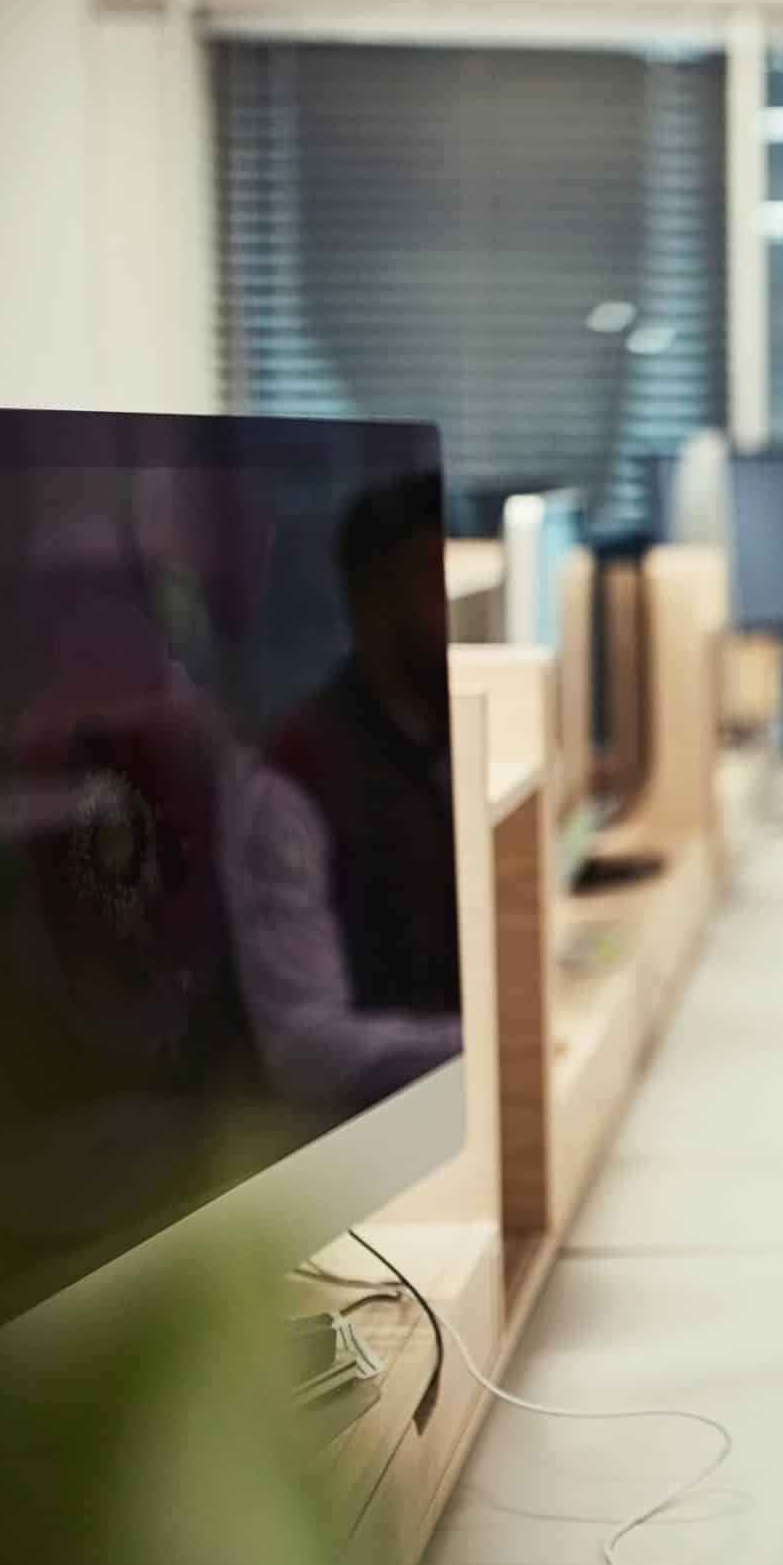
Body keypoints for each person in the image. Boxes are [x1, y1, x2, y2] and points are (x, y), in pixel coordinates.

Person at [231, 473, 464, 1111]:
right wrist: (485, 1043)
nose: (463, 617)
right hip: (374, 1146)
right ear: (373, 606)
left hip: (460, 1114)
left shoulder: (452, 734)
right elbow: (304, 1050)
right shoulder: (293, 781)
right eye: (438, 590)